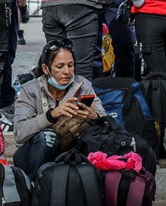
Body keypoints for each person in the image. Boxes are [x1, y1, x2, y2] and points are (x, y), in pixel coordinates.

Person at [13, 39, 105, 178]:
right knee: (46, 137)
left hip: (69, 154)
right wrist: (51, 115)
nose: (67, 71)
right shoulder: (30, 90)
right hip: (32, 156)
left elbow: (105, 118)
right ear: (46, 69)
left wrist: (94, 116)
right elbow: (19, 134)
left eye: (70, 65)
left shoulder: (84, 86)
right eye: (60, 66)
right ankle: (36, 184)